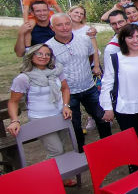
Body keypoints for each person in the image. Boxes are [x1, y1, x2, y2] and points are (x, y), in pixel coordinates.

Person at [45, 14, 110, 149]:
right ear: (52, 28)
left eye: (67, 23)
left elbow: (90, 56)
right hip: (67, 92)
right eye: (59, 25)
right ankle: (80, 150)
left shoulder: (84, 40)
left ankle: (108, 147)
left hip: (89, 87)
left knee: (102, 117)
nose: (64, 27)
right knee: (74, 124)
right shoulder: (48, 47)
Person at [100, 24, 138, 167]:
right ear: (123, 39)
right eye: (130, 37)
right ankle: (135, 168)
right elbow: (107, 82)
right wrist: (107, 107)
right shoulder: (116, 58)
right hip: (126, 107)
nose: (135, 40)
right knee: (132, 141)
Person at [7, 45, 72, 177]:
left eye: (47, 54)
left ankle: (61, 178)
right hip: (40, 119)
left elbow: (65, 89)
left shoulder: (56, 71)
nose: (44, 57)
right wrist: (14, 120)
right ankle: (40, 177)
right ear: (31, 56)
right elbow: (13, 101)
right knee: (56, 150)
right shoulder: (24, 78)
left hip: (60, 116)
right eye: (39, 54)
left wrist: (66, 105)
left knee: (62, 148)